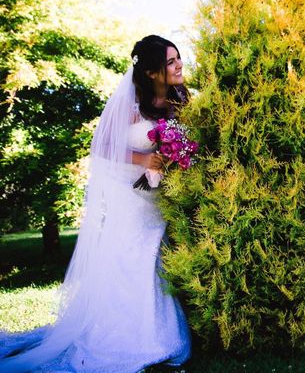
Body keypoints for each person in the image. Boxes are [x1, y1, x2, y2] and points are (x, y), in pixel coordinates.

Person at [0, 35, 191, 371]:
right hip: (131, 199)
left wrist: (176, 158)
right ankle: (123, 337)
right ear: (150, 71)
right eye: (171, 61)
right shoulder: (131, 104)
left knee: (156, 259)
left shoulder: (181, 101)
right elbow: (103, 146)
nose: (179, 65)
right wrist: (145, 161)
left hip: (162, 198)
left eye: (179, 59)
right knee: (133, 258)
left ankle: (159, 334)